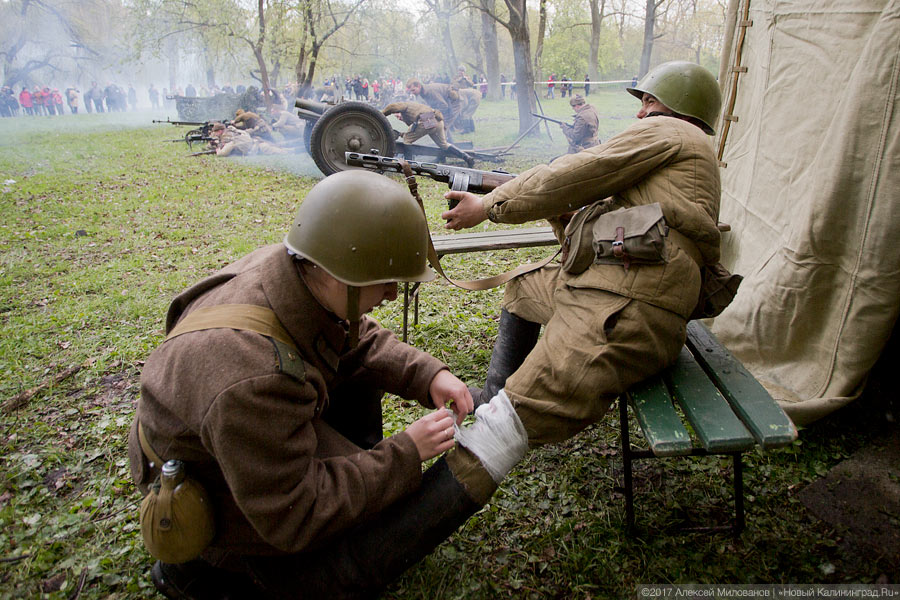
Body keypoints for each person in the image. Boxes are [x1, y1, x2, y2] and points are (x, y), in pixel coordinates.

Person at [130, 171, 486, 599]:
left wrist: (429, 374)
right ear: (341, 275)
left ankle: (352, 471)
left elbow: (354, 337)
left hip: (239, 433)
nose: (392, 295)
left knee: (365, 452)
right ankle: (205, 572)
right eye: (386, 280)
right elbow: (297, 512)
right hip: (207, 480)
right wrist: (405, 452)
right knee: (352, 537)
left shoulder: (296, 271)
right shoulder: (254, 379)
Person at [438, 60, 723, 509]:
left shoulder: (672, 132)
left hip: (627, 303)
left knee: (504, 426)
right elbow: (604, 214)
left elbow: (576, 172)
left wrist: (489, 204)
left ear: (675, 107)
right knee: (524, 288)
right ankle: (493, 393)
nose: (640, 112)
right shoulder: (686, 153)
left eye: (648, 100)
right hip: (621, 288)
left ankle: (368, 557)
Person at [382, 100, 475, 167]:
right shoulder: (414, 113)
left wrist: (380, 115)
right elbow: (414, 132)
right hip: (437, 119)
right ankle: (467, 157)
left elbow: (392, 107)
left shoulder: (404, 106)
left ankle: (409, 165)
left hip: (428, 119)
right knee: (443, 144)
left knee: (407, 140)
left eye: (398, 115)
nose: (398, 117)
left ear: (400, 111)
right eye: (396, 117)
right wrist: (400, 134)